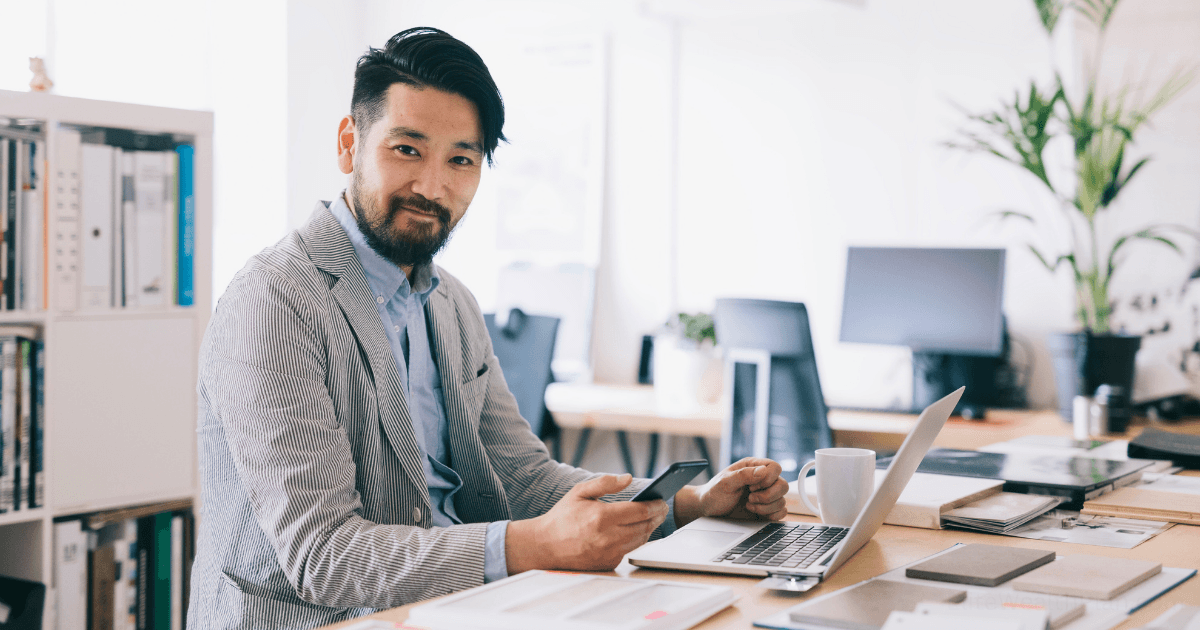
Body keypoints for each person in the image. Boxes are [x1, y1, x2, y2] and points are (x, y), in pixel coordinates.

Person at [188, 26, 789, 630]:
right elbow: (322, 556)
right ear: (350, 144)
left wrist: (688, 504)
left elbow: (523, 477)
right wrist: (532, 546)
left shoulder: (450, 303)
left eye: (461, 160)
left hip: (458, 610)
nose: (432, 186)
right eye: (406, 150)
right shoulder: (273, 301)